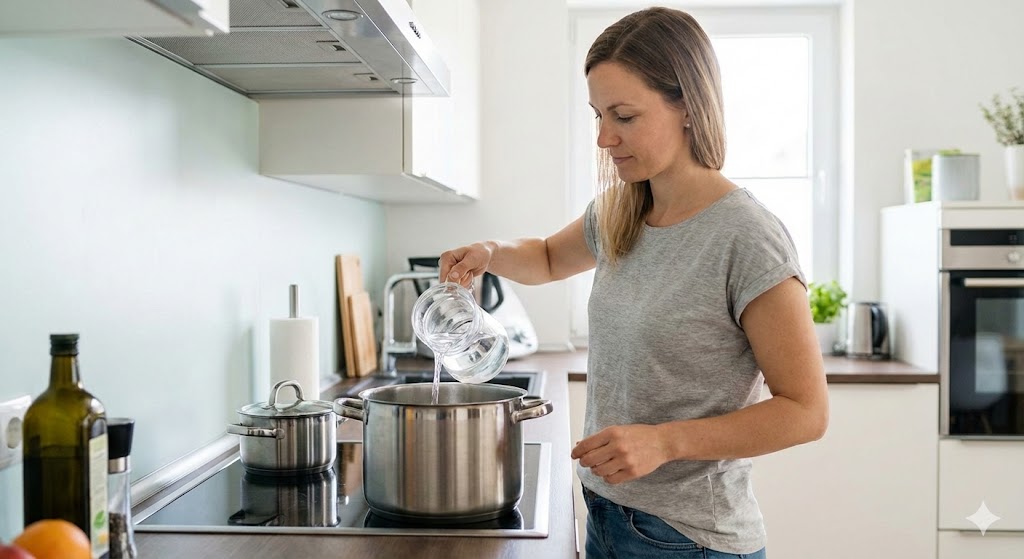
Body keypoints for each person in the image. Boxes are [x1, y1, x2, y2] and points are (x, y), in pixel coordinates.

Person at [438, 7, 828, 558]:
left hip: (688, 539)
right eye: (598, 115)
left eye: (623, 115)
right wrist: (492, 252)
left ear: (688, 107)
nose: (604, 139)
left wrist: (666, 442)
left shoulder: (747, 236)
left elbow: (806, 411)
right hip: (605, 512)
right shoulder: (621, 211)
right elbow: (549, 258)